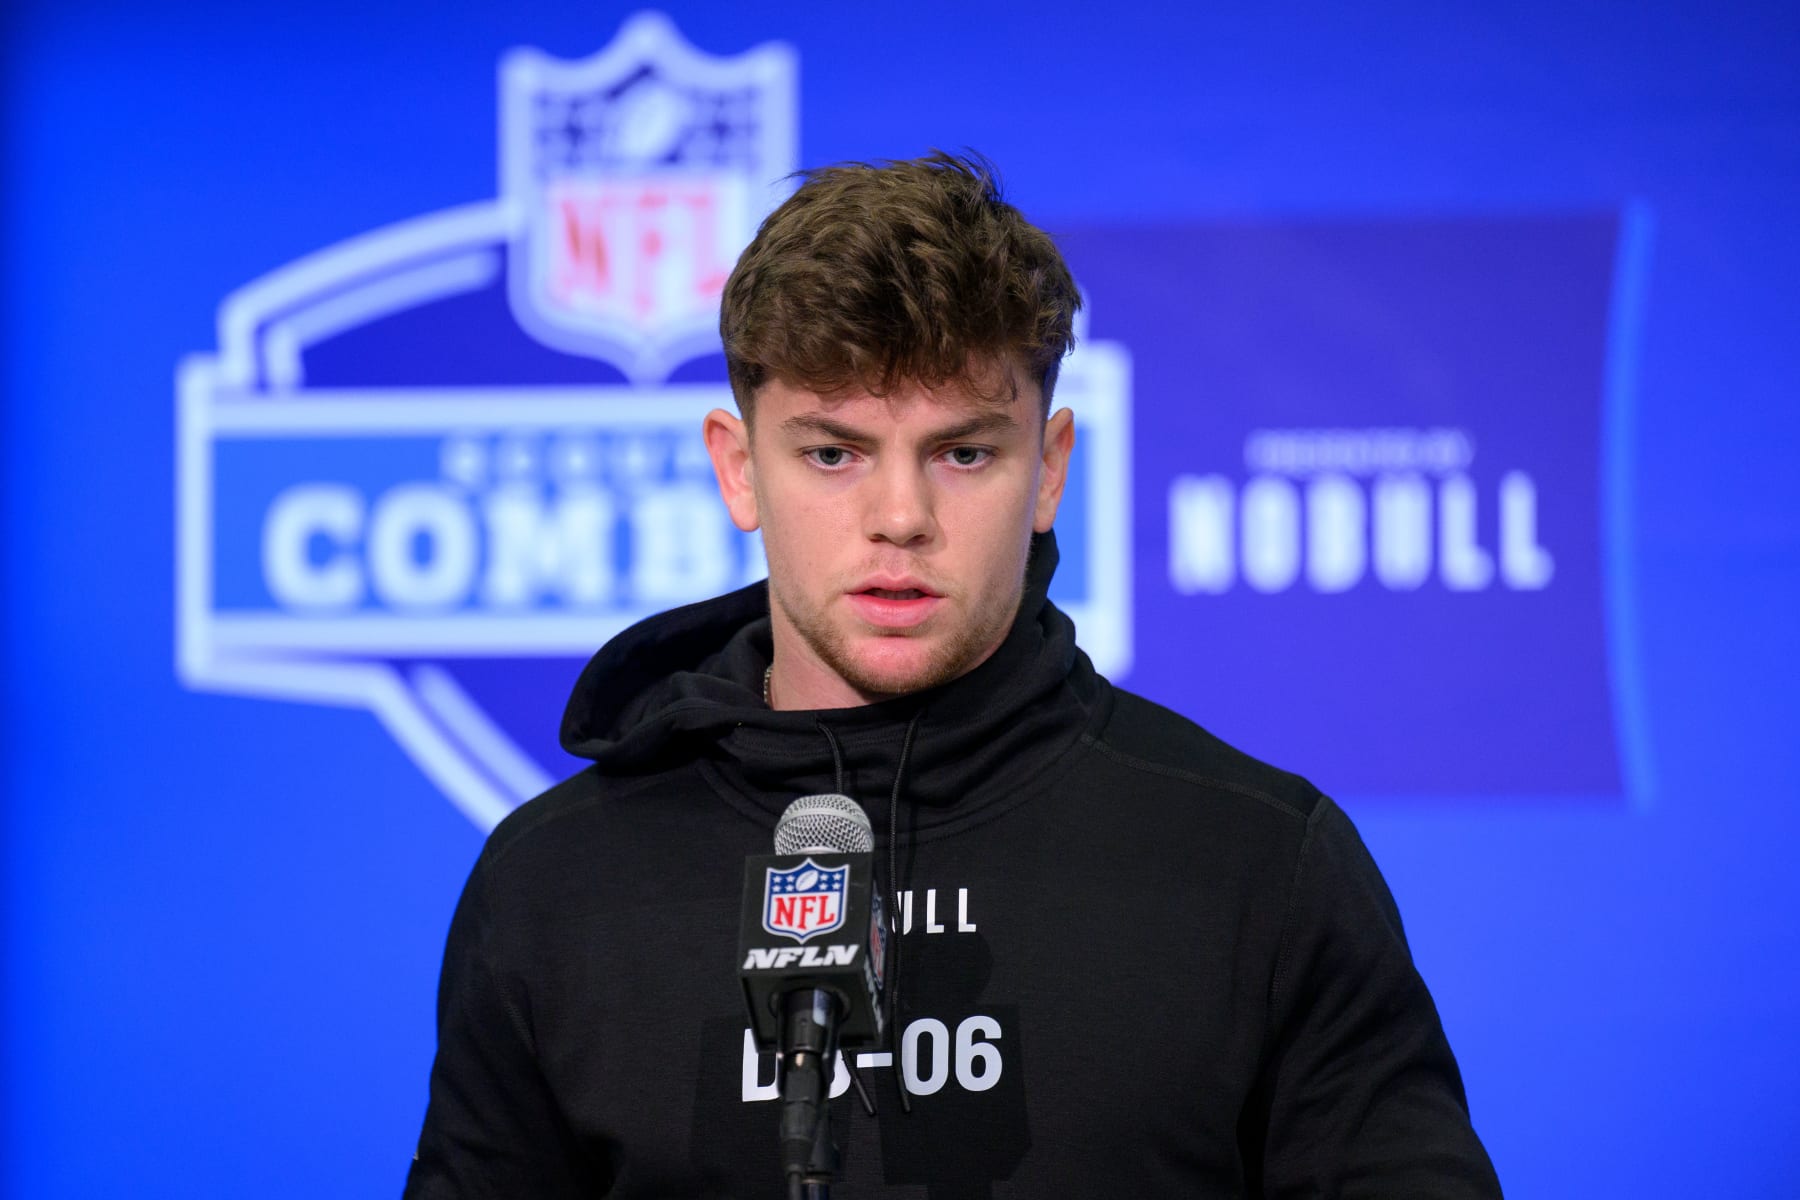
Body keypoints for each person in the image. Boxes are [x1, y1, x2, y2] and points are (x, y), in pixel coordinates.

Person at [403, 152, 1502, 1198]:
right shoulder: (558, 887)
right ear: (739, 469)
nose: (899, 520)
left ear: (1049, 467)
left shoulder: (1260, 864)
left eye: (963, 453)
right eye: (832, 453)